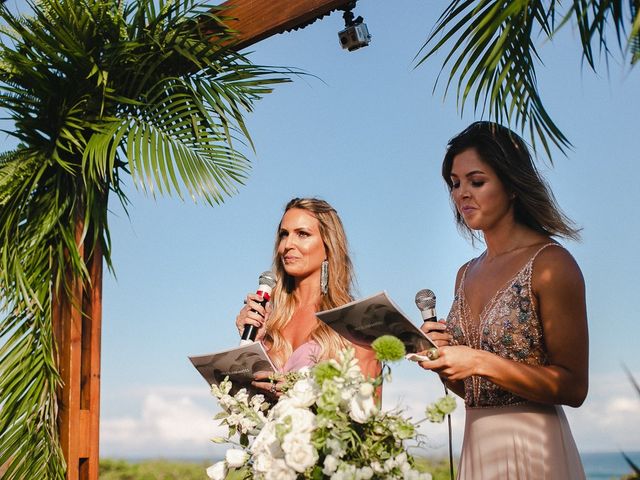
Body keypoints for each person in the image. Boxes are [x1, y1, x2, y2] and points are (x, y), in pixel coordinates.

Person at [419, 122, 588, 479]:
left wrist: (479, 360)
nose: (462, 193)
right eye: (455, 183)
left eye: (476, 181)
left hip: (534, 451)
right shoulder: (465, 274)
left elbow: (574, 387)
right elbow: (474, 391)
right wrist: (444, 360)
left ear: (511, 185)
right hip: (478, 445)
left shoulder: (551, 264)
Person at [235, 197, 379, 398]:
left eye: (302, 234)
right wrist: (253, 346)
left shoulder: (353, 322)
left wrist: (303, 395)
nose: (287, 245)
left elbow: (370, 413)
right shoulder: (270, 322)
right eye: (284, 235)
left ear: (328, 246)